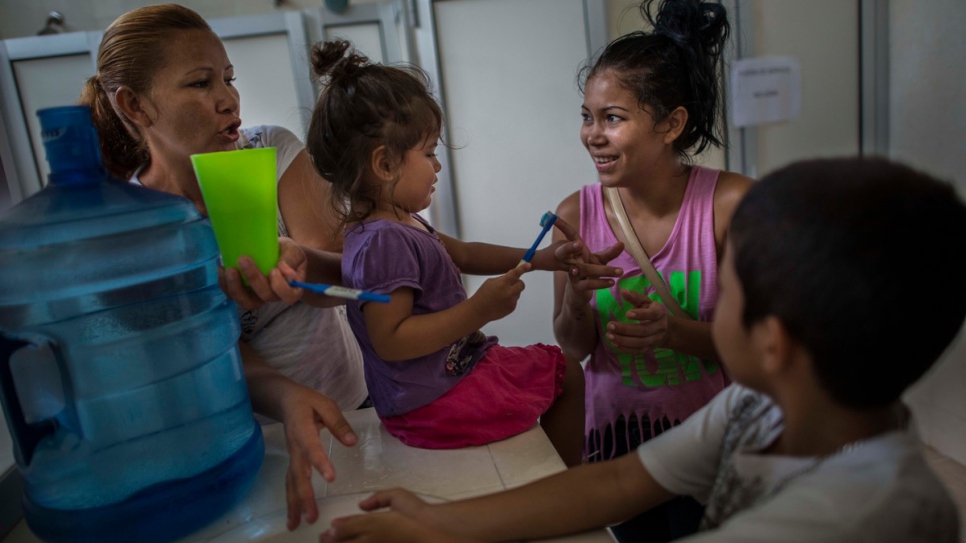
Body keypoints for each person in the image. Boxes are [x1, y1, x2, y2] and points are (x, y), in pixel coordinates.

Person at [318, 156, 966, 543]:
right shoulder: (760, 404)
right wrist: (440, 521)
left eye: (727, 284)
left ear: (775, 342)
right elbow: (620, 478)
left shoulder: (863, 513)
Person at [78, 4, 367, 530]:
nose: (227, 98)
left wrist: (301, 267)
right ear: (133, 105)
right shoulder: (134, 226)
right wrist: (285, 396)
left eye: (228, 78)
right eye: (199, 83)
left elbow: (348, 275)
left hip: (350, 403)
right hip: (240, 444)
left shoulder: (272, 150)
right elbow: (215, 348)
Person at [301, 40, 606, 467]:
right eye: (428, 153)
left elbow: (461, 252)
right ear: (385, 165)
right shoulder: (383, 241)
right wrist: (479, 310)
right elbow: (391, 340)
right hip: (429, 405)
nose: (437, 166)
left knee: (559, 370)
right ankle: (566, 490)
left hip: (435, 385)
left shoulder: (399, 222)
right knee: (567, 373)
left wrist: (543, 258)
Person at [552, 0, 754, 539]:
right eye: (586, 116)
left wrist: (676, 332)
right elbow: (573, 349)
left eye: (612, 118)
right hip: (621, 449)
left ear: (671, 125)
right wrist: (575, 299)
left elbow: (761, 348)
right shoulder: (575, 215)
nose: (592, 134)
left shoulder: (731, 206)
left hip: (717, 448)